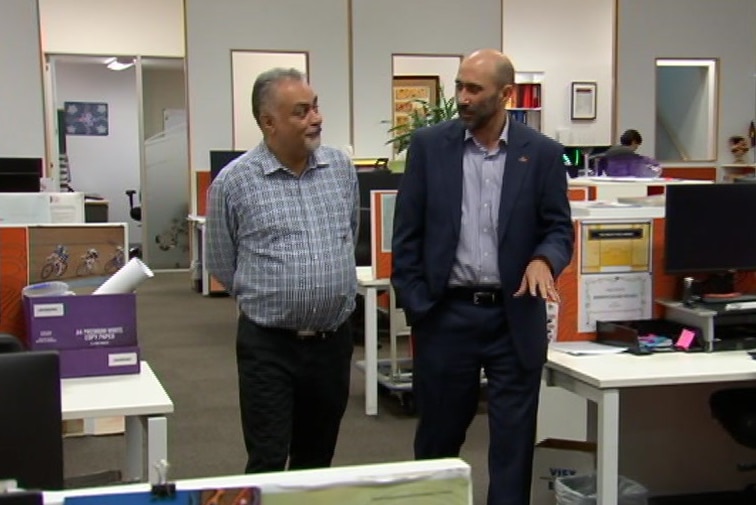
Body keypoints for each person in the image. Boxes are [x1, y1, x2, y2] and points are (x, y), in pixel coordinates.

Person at [391, 49, 574, 505]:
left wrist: (543, 260)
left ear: (506, 94)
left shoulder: (544, 154)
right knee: (438, 440)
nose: (462, 98)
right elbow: (407, 235)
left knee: (513, 448)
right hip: (447, 315)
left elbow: (557, 228)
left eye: (474, 89)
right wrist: (418, 305)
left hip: (513, 318)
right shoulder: (431, 147)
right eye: (459, 86)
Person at [205, 67, 359, 474]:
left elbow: (348, 235)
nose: (316, 118)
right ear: (268, 122)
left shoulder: (341, 170)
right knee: (269, 460)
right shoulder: (234, 183)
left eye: (316, 107)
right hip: (269, 346)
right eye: (301, 111)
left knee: (317, 460)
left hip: (332, 342)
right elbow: (223, 264)